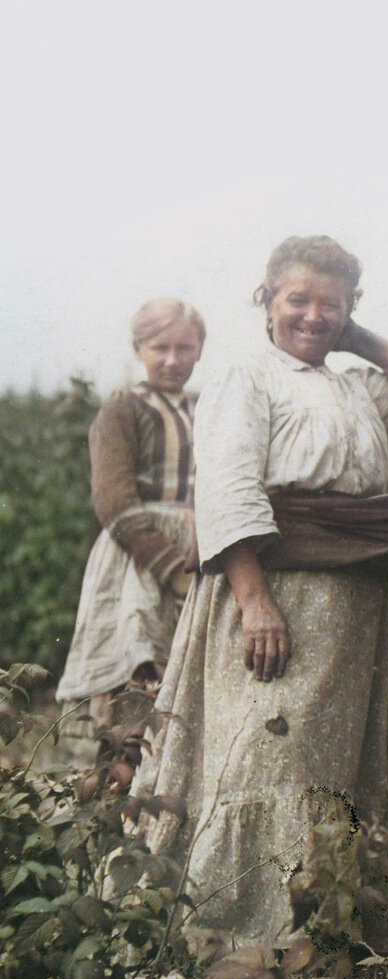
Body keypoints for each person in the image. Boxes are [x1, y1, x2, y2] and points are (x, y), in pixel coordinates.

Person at [136, 235, 388, 943]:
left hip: (347, 603)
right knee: (264, 747)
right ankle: (237, 926)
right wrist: (254, 600)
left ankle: (321, 919)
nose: (312, 317)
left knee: (324, 756)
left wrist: (356, 335)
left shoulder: (355, 387)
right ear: (266, 300)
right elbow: (226, 489)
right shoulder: (246, 379)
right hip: (273, 591)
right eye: (297, 300)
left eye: (331, 305)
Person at [56, 299, 206, 765]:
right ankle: (113, 785)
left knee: (186, 678)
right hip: (139, 554)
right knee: (133, 668)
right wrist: (171, 570)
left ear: (200, 350)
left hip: (199, 549)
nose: (172, 359)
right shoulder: (124, 408)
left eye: (185, 347)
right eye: (160, 347)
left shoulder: (207, 408)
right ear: (139, 348)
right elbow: (114, 502)